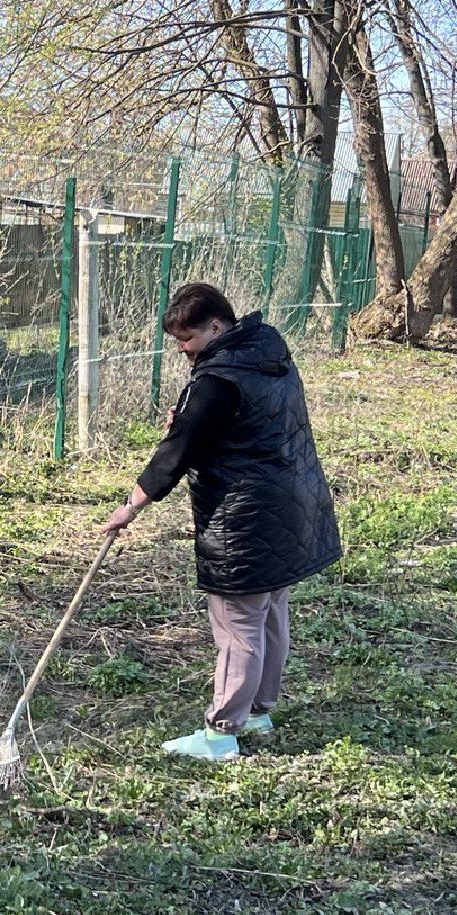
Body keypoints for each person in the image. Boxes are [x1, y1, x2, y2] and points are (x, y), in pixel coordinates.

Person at [99, 283, 340, 761]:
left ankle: (222, 732)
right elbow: (248, 422)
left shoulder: (218, 378)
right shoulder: (266, 353)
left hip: (244, 517)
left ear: (215, 326)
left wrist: (131, 506)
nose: (182, 350)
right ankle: (257, 712)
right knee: (270, 612)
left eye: (187, 339)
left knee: (237, 626)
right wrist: (197, 418)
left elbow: (177, 451)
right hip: (289, 506)